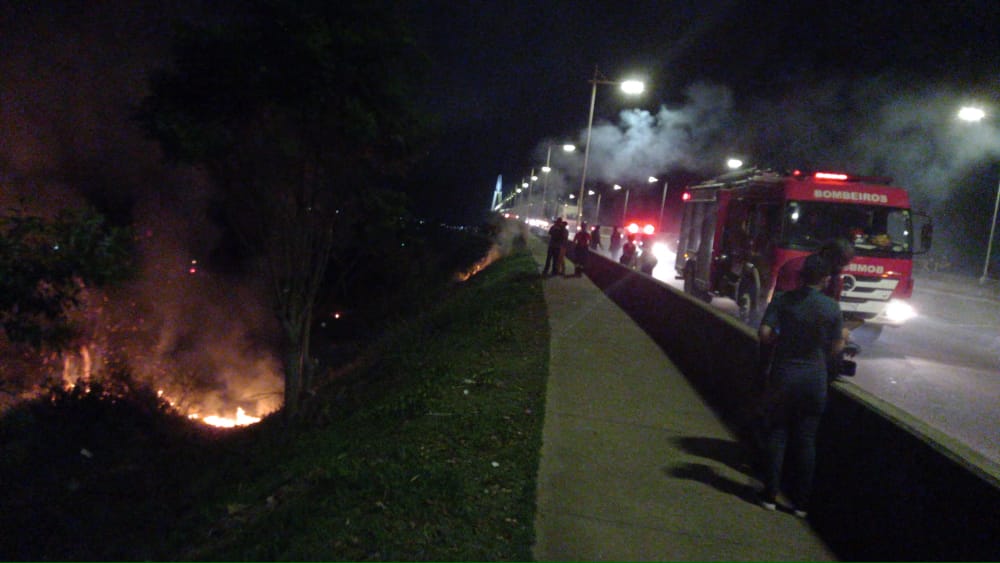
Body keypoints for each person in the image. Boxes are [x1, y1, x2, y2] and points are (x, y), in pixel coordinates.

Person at [757, 254, 845, 517]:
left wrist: (781, 340)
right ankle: (800, 505)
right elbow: (837, 346)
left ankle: (770, 496)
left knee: (777, 435)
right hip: (814, 380)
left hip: (784, 377)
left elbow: (764, 335)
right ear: (825, 279)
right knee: (806, 441)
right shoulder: (831, 308)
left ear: (802, 275)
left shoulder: (783, 301)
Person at [774, 238, 855, 300]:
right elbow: (782, 302)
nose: (840, 269)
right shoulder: (794, 268)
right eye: (838, 264)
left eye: (843, 265)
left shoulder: (836, 279)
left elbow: (832, 308)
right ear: (826, 255)